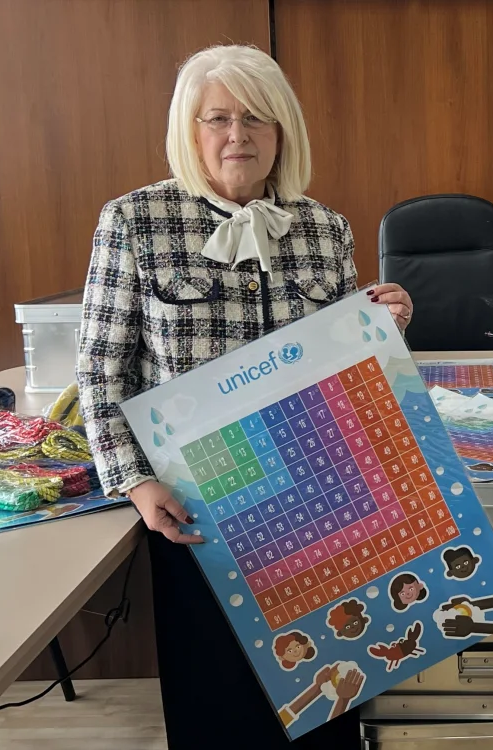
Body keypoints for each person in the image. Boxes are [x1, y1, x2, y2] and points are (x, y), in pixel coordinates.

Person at [75, 44, 413, 748]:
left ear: (282, 131)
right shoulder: (134, 221)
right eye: (218, 118)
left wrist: (384, 325)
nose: (239, 135)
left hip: (317, 500)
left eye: (257, 118)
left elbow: (339, 361)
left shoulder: (325, 227)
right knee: (217, 704)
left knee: (328, 691)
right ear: (189, 129)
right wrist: (134, 481)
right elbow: (102, 370)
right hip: (197, 505)